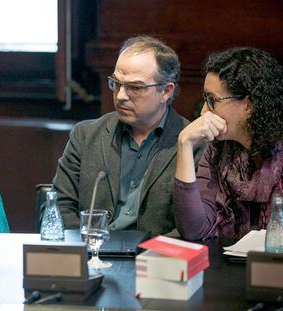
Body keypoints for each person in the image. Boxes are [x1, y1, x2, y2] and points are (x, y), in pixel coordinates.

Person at [51, 35, 202, 237]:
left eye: (135, 87)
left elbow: (194, 226)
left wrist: (146, 255)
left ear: (165, 91)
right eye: (116, 83)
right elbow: (60, 205)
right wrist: (87, 248)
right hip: (92, 255)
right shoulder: (86, 136)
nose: (121, 95)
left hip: (155, 261)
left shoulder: (193, 143)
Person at [174, 47, 283, 241]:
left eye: (212, 100)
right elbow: (193, 230)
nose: (203, 112)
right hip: (230, 266)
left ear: (248, 106)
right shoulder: (217, 149)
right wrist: (185, 144)